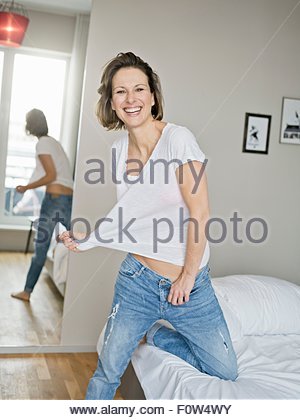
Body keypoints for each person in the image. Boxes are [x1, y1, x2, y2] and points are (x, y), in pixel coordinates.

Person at [60, 52, 238, 400]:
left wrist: (187, 275)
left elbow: (200, 212)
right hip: (137, 282)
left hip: (190, 285)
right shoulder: (116, 151)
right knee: (107, 370)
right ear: (111, 102)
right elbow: (134, 215)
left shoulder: (178, 140)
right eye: (121, 92)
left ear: (153, 96)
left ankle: (158, 335)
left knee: (225, 369)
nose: (131, 99)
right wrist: (91, 238)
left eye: (139, 89)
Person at [11, 109, 73, 302]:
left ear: (31, 125)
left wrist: (26, 187)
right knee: (80, 241)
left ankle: (27, 292)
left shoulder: (42, 144)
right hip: (69, 199)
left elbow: (50, 175)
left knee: (41, 246)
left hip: (54, 200)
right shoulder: (54, 142)